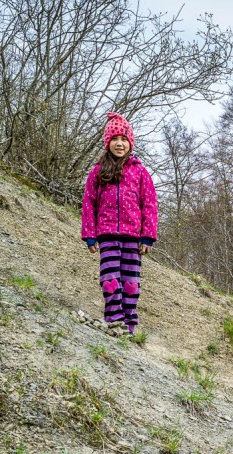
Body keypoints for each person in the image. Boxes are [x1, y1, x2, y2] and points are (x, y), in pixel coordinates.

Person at [81, 112, 158, 335]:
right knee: (110, 279)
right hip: (106, 235)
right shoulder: (97, 172)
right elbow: (89, 203)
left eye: (124, 139)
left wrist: (147, 236)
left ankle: (129, 323)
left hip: (134, 237)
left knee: (131, 282)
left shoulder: (140, 172)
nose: (120, 143)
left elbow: (150, 204)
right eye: (115, 139)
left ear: (130, 143)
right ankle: (113, 319)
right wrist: (90, 235)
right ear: (108, 142)